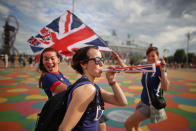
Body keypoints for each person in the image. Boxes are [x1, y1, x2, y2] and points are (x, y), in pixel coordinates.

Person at [58, 46, 128, 131]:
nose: (102, 64)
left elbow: (122, 102)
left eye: (102, 60)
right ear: (83, 64)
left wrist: (112, 81)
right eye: (97, 60)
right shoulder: (87, 89)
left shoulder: (94, 87)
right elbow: (64, 129)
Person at [113, 46, 170, 131]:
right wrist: (118, 58)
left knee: (128, 124)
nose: (150, 58)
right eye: (148, 56)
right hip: (142, 102)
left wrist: (162, 70)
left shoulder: (159, 69)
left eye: (153, 56)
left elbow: (165, 87)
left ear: (158, 56)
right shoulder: (145, 67)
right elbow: (127, 69)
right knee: (136, 126)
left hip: (149, 105)